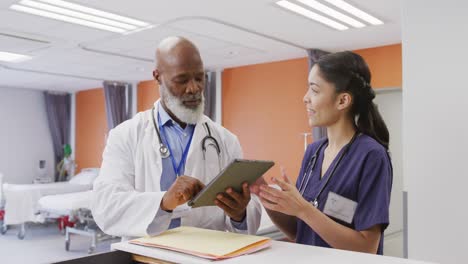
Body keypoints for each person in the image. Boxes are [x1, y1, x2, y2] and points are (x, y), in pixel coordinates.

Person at [92, 36, 261, 239]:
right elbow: (106, 208)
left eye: (199, 78)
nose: (194, 88)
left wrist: (239, 214)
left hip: (205, 254)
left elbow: (246, 218)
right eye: (181, 80)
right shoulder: (125, 135)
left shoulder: (225, 140)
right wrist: (164, 201)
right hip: (147, 256)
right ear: (157, 77)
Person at [252, 51, 392, 254]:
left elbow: (367, 247)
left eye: (314, 90)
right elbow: (297, 231)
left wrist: (303, 209)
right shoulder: (313, 152)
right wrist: (263, 193)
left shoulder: (371, 155)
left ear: (342, 101)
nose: (305, 98)